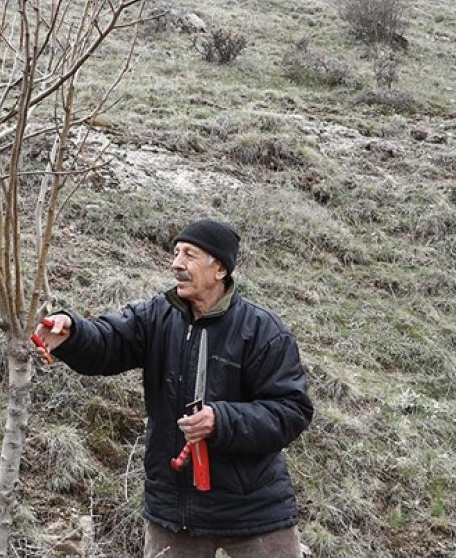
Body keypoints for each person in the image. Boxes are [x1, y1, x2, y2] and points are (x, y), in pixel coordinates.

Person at [34, 218, 313, 558]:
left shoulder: (262, 331)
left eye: (189, 255)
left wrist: (222, 420)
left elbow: (291, 410)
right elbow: (108, 342)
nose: (176, 263)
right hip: (174, 508)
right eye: (176, 252)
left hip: (253, 509)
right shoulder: (156, 316)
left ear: (220, 268)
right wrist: (72, 333)